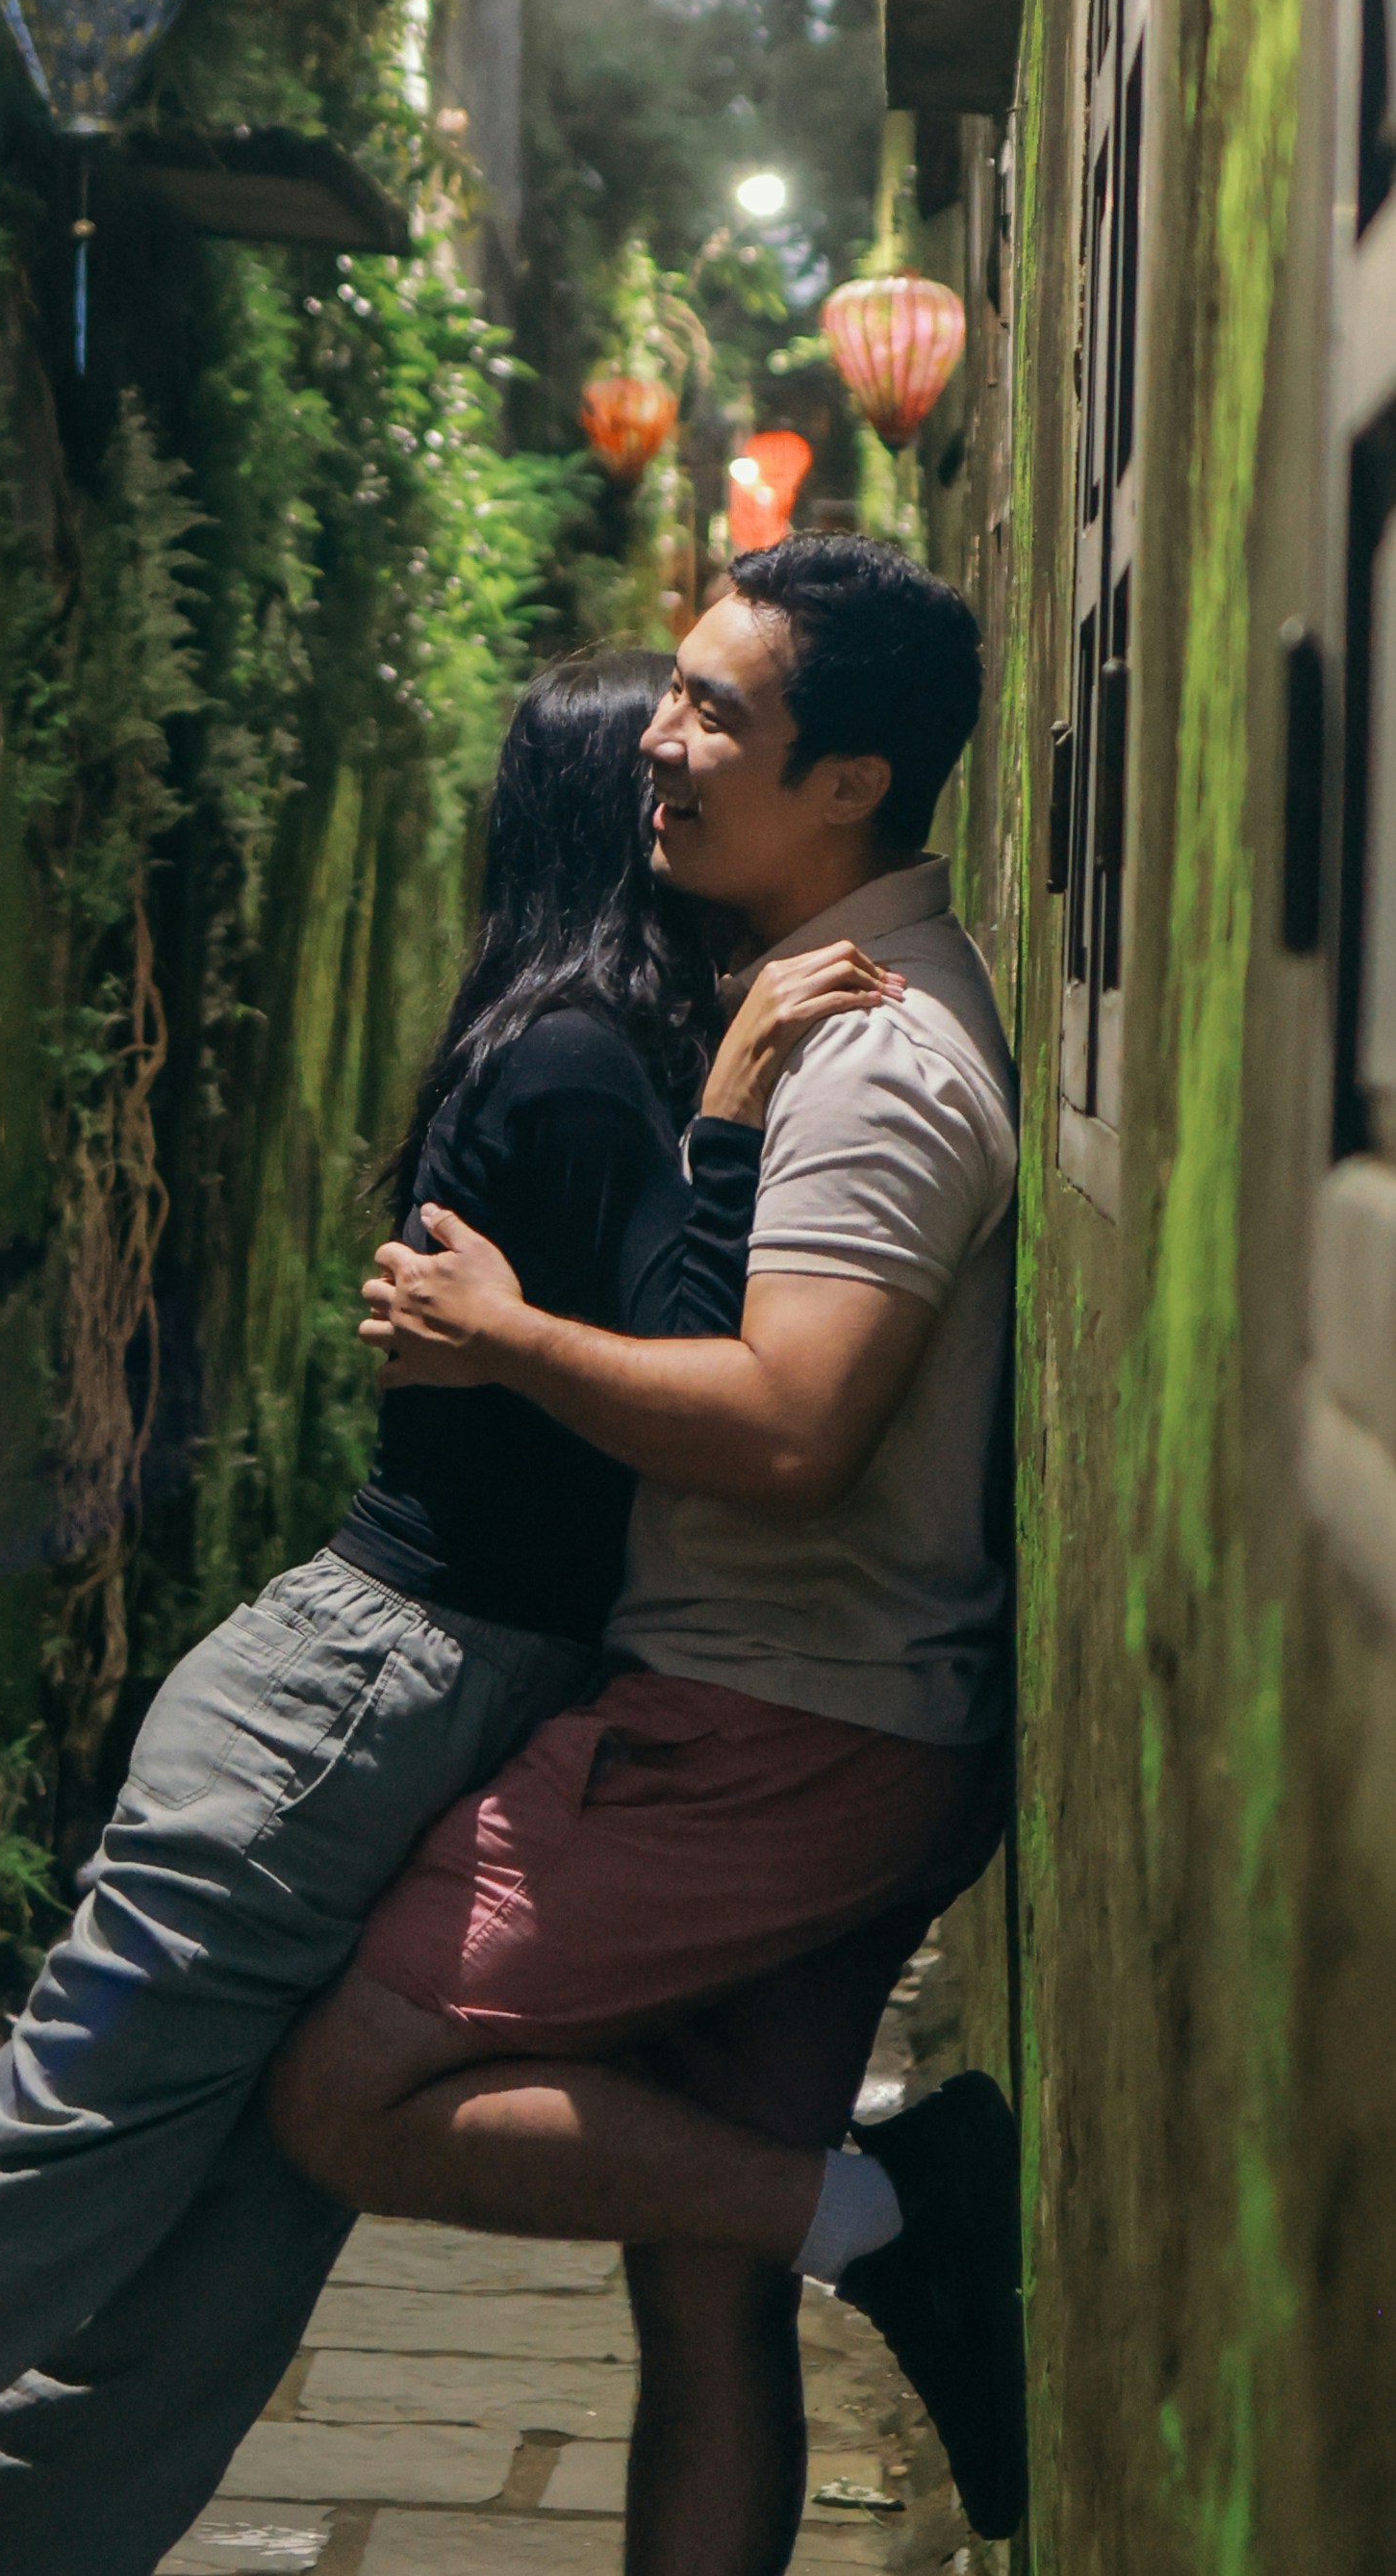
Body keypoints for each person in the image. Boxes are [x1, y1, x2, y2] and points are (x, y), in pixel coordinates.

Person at [0, 655, 879, 2576]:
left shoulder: (577, 1038)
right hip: (354, 1700)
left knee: (214, 2291)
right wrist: (743, 1114)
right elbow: (667, 1405)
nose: (705, 785)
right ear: (626, 818)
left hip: (429, 1708)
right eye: (672, 759)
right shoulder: (591, 1059)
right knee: (52, 2157)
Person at [266, 532, 1023, 2576]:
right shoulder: (794, 1011)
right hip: (816, 1712)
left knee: (344, 2085)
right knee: (696, 2286)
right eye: (668, 695)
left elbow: (786, 1426)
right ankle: (834, 2211)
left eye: (716, 714)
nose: (659, 746)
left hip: (763, 1725)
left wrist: (498, 1334)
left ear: (848, 776)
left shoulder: (874, 1056)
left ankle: (876, 2209)